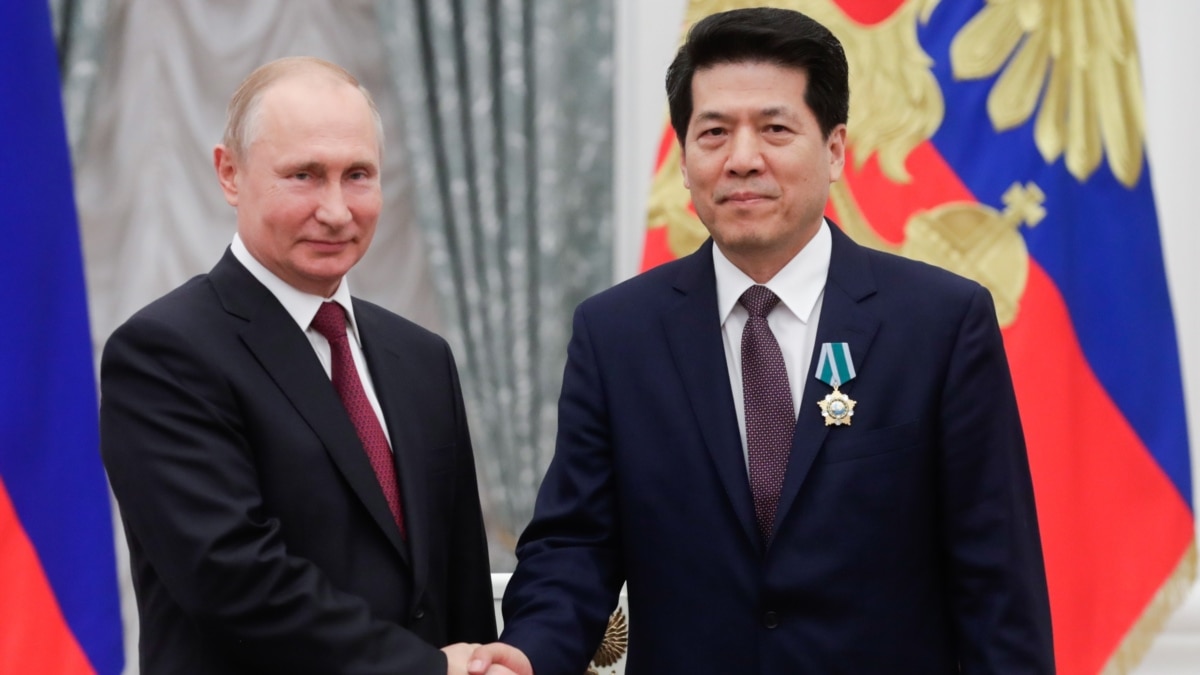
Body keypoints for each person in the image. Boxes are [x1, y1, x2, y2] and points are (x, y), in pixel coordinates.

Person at [469, 8, 1053, 674]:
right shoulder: (617, 335)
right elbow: (574, 546)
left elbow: (996, 582)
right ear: (684, 159)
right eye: (714, 133)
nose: (742, 159)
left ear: (834, 150)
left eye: (775, 129)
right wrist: (526, 654)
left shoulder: (940, 324)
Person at [100, 56, 496, 674]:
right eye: (304, 175)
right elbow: (235, 581)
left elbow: (459, 578)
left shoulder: (421, 358)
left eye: (357, 175)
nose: (336, 210)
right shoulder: (164, 354)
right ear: (229, 174)